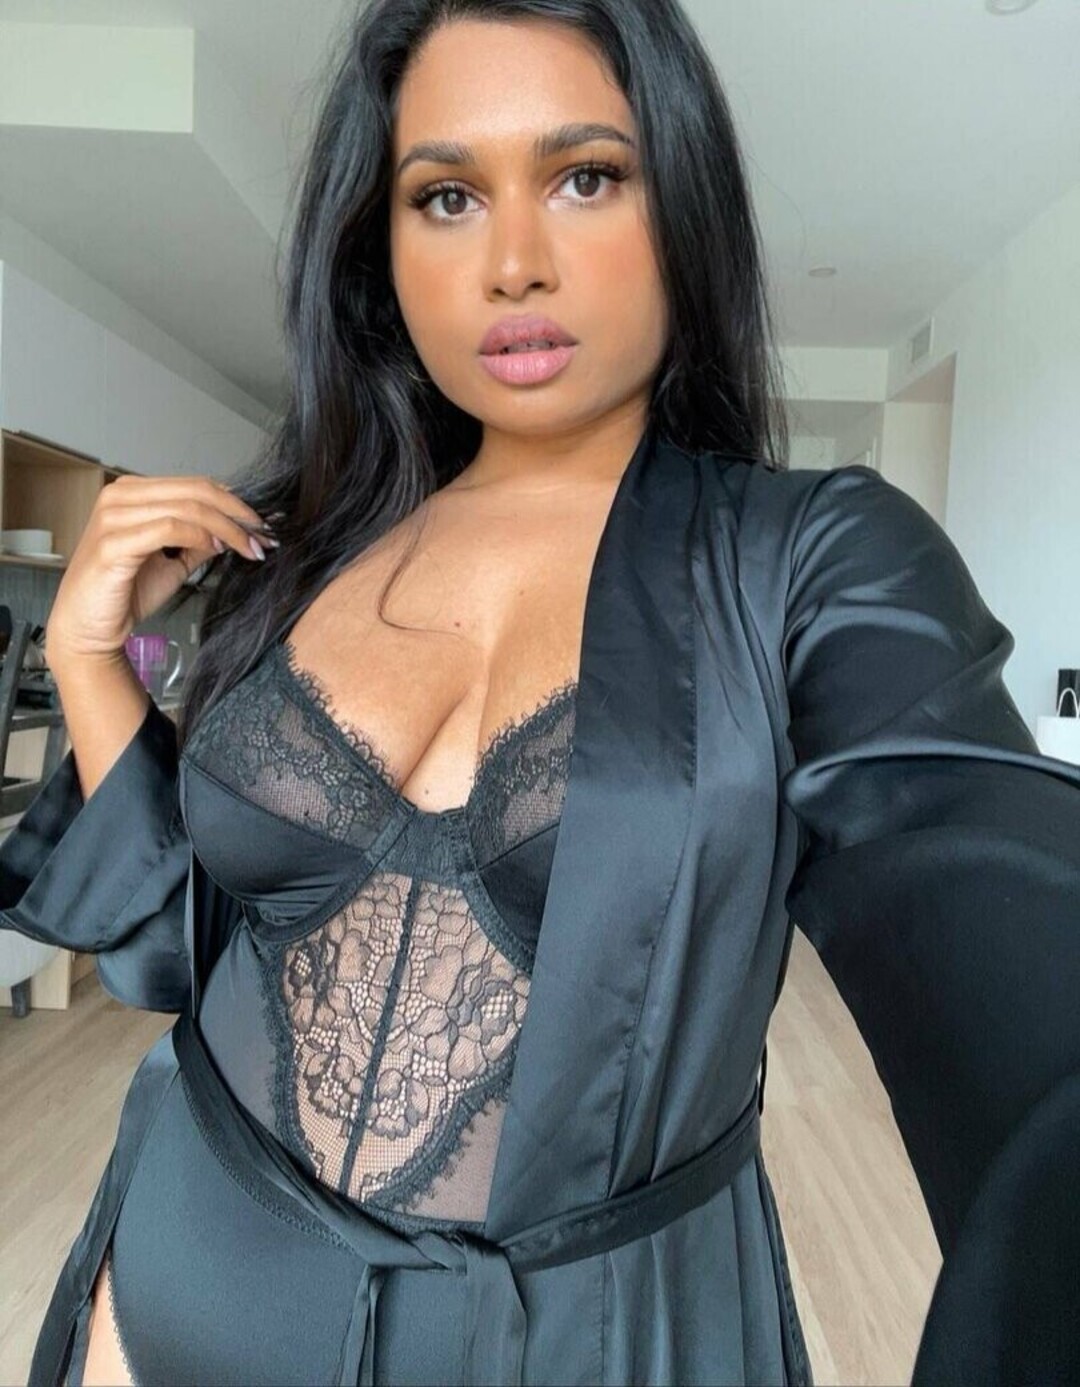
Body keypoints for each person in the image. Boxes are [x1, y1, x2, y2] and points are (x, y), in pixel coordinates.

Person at [2, 1, 1078, 1384]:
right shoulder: (306, 545)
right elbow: (185, 947)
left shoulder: (805, 564)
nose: (513, 263)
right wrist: (87, 661)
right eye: (447, 197)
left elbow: (1025, 1006)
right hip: (164, 1288)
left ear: (678, 204)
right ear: (381, 250)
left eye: (585, 177)